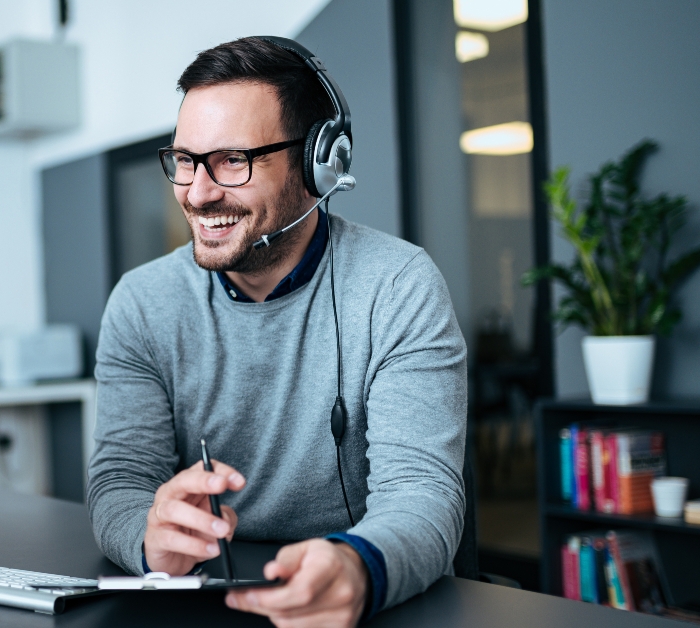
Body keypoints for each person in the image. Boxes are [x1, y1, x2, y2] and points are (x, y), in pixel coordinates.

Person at [86, 37, 467, 627]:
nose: (198, 192)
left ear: (320, 164)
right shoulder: (142, 302)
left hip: (353, 598)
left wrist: (356, 567)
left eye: (233, 160)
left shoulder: (398, 285)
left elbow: (424, 494)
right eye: (186, 160)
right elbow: (120, 481)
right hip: (206, 597)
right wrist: (148, 537)